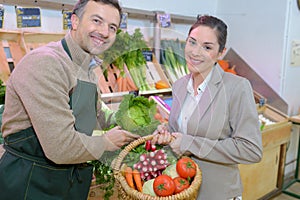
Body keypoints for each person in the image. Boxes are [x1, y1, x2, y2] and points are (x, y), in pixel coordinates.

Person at [0, 0, 140, 199]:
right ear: (74, 21)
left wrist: (130, 121)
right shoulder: (46, 63)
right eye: (97, 21)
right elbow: (60, 146)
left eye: (112, 27)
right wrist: (107, 142)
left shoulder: (86, 66)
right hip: (31, 181)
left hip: (67, 181)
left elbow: (96, 112)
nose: (105, 32)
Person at [152, 15, 263, 200]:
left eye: (207, 47)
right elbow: (179, 132)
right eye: (192, 42)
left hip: (217, 193)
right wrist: (167, 134)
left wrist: (189, 144)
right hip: (182, 190)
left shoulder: (236, 87)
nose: (195, 52)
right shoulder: (179, 85)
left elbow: (250, 149)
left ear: (221, 53)